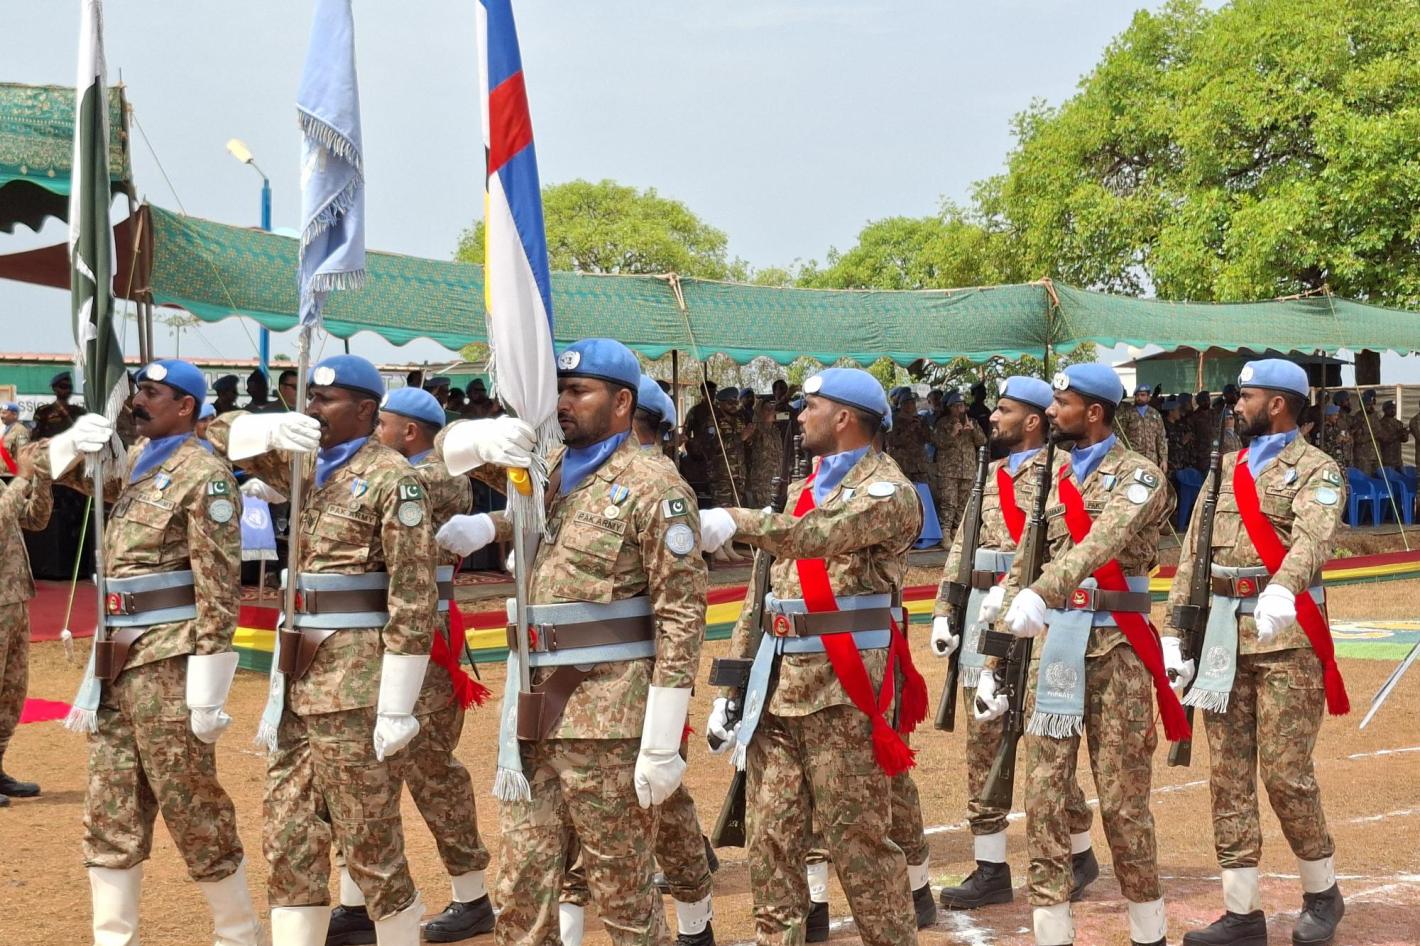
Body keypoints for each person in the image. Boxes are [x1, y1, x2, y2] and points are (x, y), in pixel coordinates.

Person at [435, 339, 706, 946]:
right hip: (531, 711)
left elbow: (681, 618)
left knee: (622, 892)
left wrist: (662, 742)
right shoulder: (545, 470)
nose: (562, 403)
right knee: (522, 887)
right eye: (559, 390)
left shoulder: (653, 487)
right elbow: (440, 448)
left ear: (621, 402)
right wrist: (482, 440)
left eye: (578, 392)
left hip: (606, 720)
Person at [212, 353, 437, 946]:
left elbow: (413, 596)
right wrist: (264, 427)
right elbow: (213, 435)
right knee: (288, 835)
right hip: (298, 679)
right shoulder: (303, 464)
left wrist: (397, 704)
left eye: (325, 399)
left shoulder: (394, 478)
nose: (311, 407)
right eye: (308, 396)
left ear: (366, 410)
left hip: (357, 684)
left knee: (370, 842)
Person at [699, 367, 923, 946]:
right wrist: (731, 685)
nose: (800, 416)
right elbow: (760, 596)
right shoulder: (806, 487)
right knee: (770, 845)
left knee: (861, 850)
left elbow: (810, 537)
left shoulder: (888, 492)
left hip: (840, 696)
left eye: (811, 406)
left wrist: (736, 519)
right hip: (775, 693)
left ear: (844, 417)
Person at [50, 360, 258, 946]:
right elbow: (61, 474)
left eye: (151, 393)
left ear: (186, 405)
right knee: (111, 803)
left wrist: (209, 688)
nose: (138, 401)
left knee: (190, 801)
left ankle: (238, 932)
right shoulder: (132, 463)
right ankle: (114, 937)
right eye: (138, 390)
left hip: (169, 662)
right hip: (114, 660)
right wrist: (73, 439)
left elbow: (219, 588)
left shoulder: (204, 475)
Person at [981, 363, 1181, 946]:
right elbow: (1025, 557)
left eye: (1062, 403)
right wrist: (997, 656)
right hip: (1055, 649)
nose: (1052, 412)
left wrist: (1039, 592)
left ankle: (1148, 929)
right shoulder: (1049, 475)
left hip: (1117, 649)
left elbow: (1103, 542)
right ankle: (1051, 931)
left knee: (1122, 802)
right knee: (1043, 794)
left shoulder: (1140, 477)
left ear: (1093, 412)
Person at [1164, 359, 1348, 946]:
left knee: (1287, 773)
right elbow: (1193, 559)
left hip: (1285, 642)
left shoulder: (1317, 470)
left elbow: (1313, 540)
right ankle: (1242, 912)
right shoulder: (1223, 471)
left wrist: (1281, 590)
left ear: (1278, 403)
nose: (1236, 404)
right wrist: (1176, 633)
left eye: (1246, 396)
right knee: (1229, 776)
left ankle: (1322, 892)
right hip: (1220, 638)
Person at [301, 386, 493, 946]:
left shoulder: (430, 477)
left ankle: (471, 895)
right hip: (361, 643)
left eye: (381, 423)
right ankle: (356, 901)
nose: (372, 434)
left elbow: (442, 482)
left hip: (423, 646)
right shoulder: (361, 471)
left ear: (409, 432)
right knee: (354, 775)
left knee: (429, 768)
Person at [555, 374, 718, 946]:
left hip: (627, 697)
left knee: (657, 826)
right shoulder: (572, 477)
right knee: (552, 855)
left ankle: (696, 921)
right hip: (560, 697)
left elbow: (679, 609)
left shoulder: (655, 488)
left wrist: (662, 730)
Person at [930, 377, 1098, 912]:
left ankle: (1078, 849)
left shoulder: (1061, 474)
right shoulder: (989, 475)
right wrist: (944, 610)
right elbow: (961, 547)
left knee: (1040, 736)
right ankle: (991, 865)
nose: (992, 418)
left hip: (1037, 618)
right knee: (984, 740)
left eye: (1003, 410)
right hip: (984, 614)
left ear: (1030, 420)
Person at [0, 440, 52, 808]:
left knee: (11, 692)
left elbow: (35, 519)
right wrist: (23, 477)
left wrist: (42, 479)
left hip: (14, 598)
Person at [934, 390, 987, 541]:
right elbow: (937, 442)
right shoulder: (943, 423)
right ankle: (945, 534)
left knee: (963, 503)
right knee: (949, 502)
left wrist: (973, 430)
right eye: (956, 406)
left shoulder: (972, 422)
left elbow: (982, 441)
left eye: (962, 405)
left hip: (968, 470)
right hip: (949, 471)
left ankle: (957, 533)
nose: (960, 409)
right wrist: (952, 433)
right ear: (950, 407)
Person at [708, 386, 748, 508]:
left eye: (735, 402)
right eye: (730, 403)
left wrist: (750, 437)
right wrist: (740, 438)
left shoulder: (740, 419)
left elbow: (746, 444)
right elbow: (714, 446)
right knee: (723, 515)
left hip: (739, 476)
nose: (734, 406)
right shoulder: (713, 421)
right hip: (722, 477)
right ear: (720, 403)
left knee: (739, 515)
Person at [746, 397, 786, 509]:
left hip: (776, 480)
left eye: (772, 409)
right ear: (760, 412)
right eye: (767, 409)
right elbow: (748, 439)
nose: (772, 412)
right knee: (763, 512)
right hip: (762, 483)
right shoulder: (756, 430)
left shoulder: (775, 431)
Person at [1118, 385, 1168, 471]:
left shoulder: (1155, 414)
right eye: (1137, 395)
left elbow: (1161, 438)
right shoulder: (1128, 414)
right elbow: (1121, 437)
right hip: (1134, 459)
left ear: (1148, 397)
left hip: (1152, 460)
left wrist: (1164, 459)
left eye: (1143, 395)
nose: (1139, 397)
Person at [885, 389, 929, 486]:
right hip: (902, 464)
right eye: (907, 403)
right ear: (901, 404)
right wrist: (910, 428)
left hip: (920, 466)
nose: (911, 405)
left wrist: (921, 428)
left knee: (923, 493)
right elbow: (892, 441)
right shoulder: (894, 420)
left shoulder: (921, 419)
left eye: (913, 403)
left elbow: (929, 439)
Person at [31, 370, 87, 438]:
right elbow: (34, 435)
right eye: (63, 386)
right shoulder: (43, 412)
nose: (67, 390)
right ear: (54, 389)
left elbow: (84, 435)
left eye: (70, 387)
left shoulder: (79, 411)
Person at [1349, 390, 1383, 475]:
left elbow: (1381, 432)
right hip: (1363, 457)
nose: (1371, 407)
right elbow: (1358, 439)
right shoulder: (1358, 417)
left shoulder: (1376, 416)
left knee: (1378, 481)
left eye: (1372, 404)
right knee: (1365, 480)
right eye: (1368, 405)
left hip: (1376, 455)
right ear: (1363, 406)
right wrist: (1373, 435)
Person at [1376, 400, 1408, 473]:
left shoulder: (1399, 423)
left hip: (1398, 460)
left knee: (1400, 480)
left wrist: (1405, 434)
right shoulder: (1381, 424)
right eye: (1391, 408)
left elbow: (1404, 440)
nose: (1393, 410)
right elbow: (1385, 439)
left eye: (1394, 408)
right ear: (1385, 410)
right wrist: (1398, 434)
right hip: (1387, 459)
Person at [1, 402, 30, 472]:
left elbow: (23, 454)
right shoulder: (5, 429)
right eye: (1, 413)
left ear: (14, 415)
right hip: (3, 473)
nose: (1, 416)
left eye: (4, 413)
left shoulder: (21, 430)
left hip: (11, 474)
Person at [1321, 405, 1352, 470]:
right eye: (1334, 415)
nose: (1337, 417)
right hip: (1330, 462)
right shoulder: (1322, 429)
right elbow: (1321, 447)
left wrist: (1346, 439)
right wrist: (1336, 441)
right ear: (1328, 416)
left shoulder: (1336, 428)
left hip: (1340, 461)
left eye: (1337, 415)